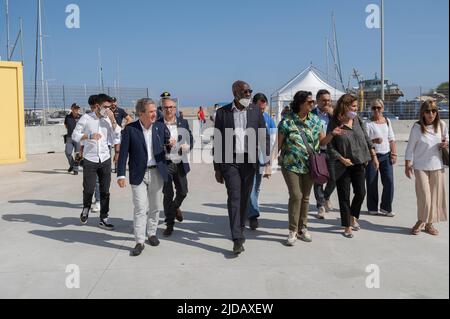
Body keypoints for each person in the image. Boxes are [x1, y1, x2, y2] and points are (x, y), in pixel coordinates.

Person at [276, 91, 344, 246]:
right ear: (300, 103)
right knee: (296, 195)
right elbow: (278, 145)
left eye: (313, 102)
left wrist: (332, 134)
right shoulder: (287, 122)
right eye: (309, 102)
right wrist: (269, 164)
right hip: (290, 165)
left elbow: (322, 142)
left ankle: (302, 228)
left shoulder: (315, 120)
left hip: (310, 165)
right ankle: (293, 230)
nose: (312, 104)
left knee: (306, 197)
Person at [213, 81, 271, 255]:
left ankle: (240, 225)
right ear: (234, 92)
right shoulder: (222, 113)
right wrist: (217, 168)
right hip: (229, 161)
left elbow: (264, 137)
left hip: (249, 161)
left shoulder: (255, 111)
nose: (248, 94)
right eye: (245, 91)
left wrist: (267, 161)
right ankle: (237, 238)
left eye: (250, 91)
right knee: (234, 196)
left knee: (245, 197)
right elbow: (217, 140)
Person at [117, 98, 173, 257]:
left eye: (155, 111)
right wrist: (121, 174)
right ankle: (139, 241)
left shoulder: (160, 128)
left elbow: (167, 148)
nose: (155, 114)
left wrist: (170, 146)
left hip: (157, 172)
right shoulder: (130, 129)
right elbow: (123, 154)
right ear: (141, 113)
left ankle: (152, 233)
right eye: (151, 111)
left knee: (155, 207)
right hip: (138, 174)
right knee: (141, 208)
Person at [327, 94, 379, 239]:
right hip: (342, 165)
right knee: (344, 196)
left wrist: (373, 156)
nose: (356, 109)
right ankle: (347, 226)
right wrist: (341, 159)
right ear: (345, 106)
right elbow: (329, 147)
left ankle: (353, 216)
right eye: (353, 106)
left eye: (356, 106)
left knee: (361, 192)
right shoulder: (334, 122)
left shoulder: (357, 119)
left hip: (359, 162)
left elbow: (366, 138)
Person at [72, 94, 122, 230]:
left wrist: (112, 120)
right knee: (89, 189)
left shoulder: (108, 120)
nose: (108, 110)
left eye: (110, 107)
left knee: (105, 191)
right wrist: (89, 136)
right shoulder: (86, 118)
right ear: (98, 106)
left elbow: (118, 135)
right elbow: (75, 135)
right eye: (106, 107)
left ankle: (104, 218)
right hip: (90, 159)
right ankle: (86, 208)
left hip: (105, 159)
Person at [405, 100, 448, 236]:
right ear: (423, 113)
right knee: (425, 197)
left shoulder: (441, 125)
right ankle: (420, 221)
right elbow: (410, 147)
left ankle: (429, 224)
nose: (431, 114)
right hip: (420, 167)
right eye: (428, 111)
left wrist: (446, 143)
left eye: (434, 111)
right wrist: (407, 164)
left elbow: (447, 138)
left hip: (437, 166)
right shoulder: (417, 128)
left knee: (435, 198)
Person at [159, 97, 194, 237]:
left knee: (183, 191)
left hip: (180, 162)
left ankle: (174, 208)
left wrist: (188, 146)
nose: (169, 110)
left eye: (171, 107)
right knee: (167, 194)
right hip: (165, 163)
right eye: (166, 107)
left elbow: (190, 138)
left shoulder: (183, 122)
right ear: (162, 109)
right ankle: (169, 224)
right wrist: (166, 144)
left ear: (175, 108)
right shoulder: (157, 124)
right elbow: (154, 144)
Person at [247, 93, 277, 230]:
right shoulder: (247, 116)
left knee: (257, 186)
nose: (264, 105)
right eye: (261, 102)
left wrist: (269, 162)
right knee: (251, 186)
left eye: (265, 103)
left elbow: (272, 142)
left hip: (262, 157)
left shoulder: (269, 120)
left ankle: (252, 208)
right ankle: (253, 215)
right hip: (248, 157)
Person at [365, 99, 398, 217]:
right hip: (372, 156)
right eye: (374, 108)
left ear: (383, 108)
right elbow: (365, 142)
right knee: (371, 182)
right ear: (371, 109)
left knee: (389, 181)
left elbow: (392, 139)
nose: (376, 110)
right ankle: (372, 207)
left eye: (378, 107)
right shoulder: (368, 123)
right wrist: (374, 141)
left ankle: (386, 207)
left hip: (386, 155)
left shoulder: (387, 121)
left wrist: (394, 154)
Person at [311, 90, 337, 219]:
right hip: (317, 150)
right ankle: (320, 205)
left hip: (331, 150)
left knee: (334, 178)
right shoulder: (311, 115)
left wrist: (334, 115)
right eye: (324, 100)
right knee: (319, 179)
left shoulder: (334, 115)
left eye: (329, 100)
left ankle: (326, 197)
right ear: (317, 101)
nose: (327, 102)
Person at [64, 103, 82, 176]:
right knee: (67, 152)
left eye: (77, 108)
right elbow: (65, 125)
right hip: (70, 138)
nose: (76, 110)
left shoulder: (81, 117)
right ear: (72, 109)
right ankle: (72, 165)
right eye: (75, 108)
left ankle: (75, 169)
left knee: (77, 155)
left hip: (78, 138)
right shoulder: (67, 117)